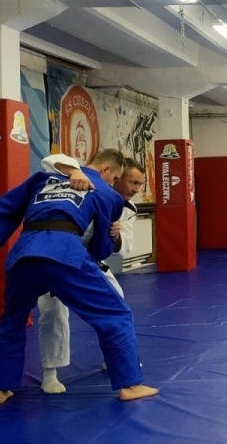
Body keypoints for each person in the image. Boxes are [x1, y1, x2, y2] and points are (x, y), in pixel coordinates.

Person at [0, 150, 158, 404]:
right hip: (64, 253)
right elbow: (100, 249)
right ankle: (130, 384)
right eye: (115, 179)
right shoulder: (106, 193)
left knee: (12, 321)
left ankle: (2, 388)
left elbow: (3, 209)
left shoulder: (42, 179)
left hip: (24, 254)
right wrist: (109, 237)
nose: (114, 184)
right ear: (105, 171)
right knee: (116, 313)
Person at [36, 152, 146, 394]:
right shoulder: (80, 182)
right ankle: (50, 373)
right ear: (115, 176)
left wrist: (116, 236)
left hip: (91, 261)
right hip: (56, 253)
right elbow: (51, 160)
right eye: (132, 182)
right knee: (52, 310)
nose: (136, 189)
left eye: (140, 184)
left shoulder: (126, 208)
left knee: (116, 302)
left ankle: (116, 359)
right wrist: (74, 171)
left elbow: (125, 247)